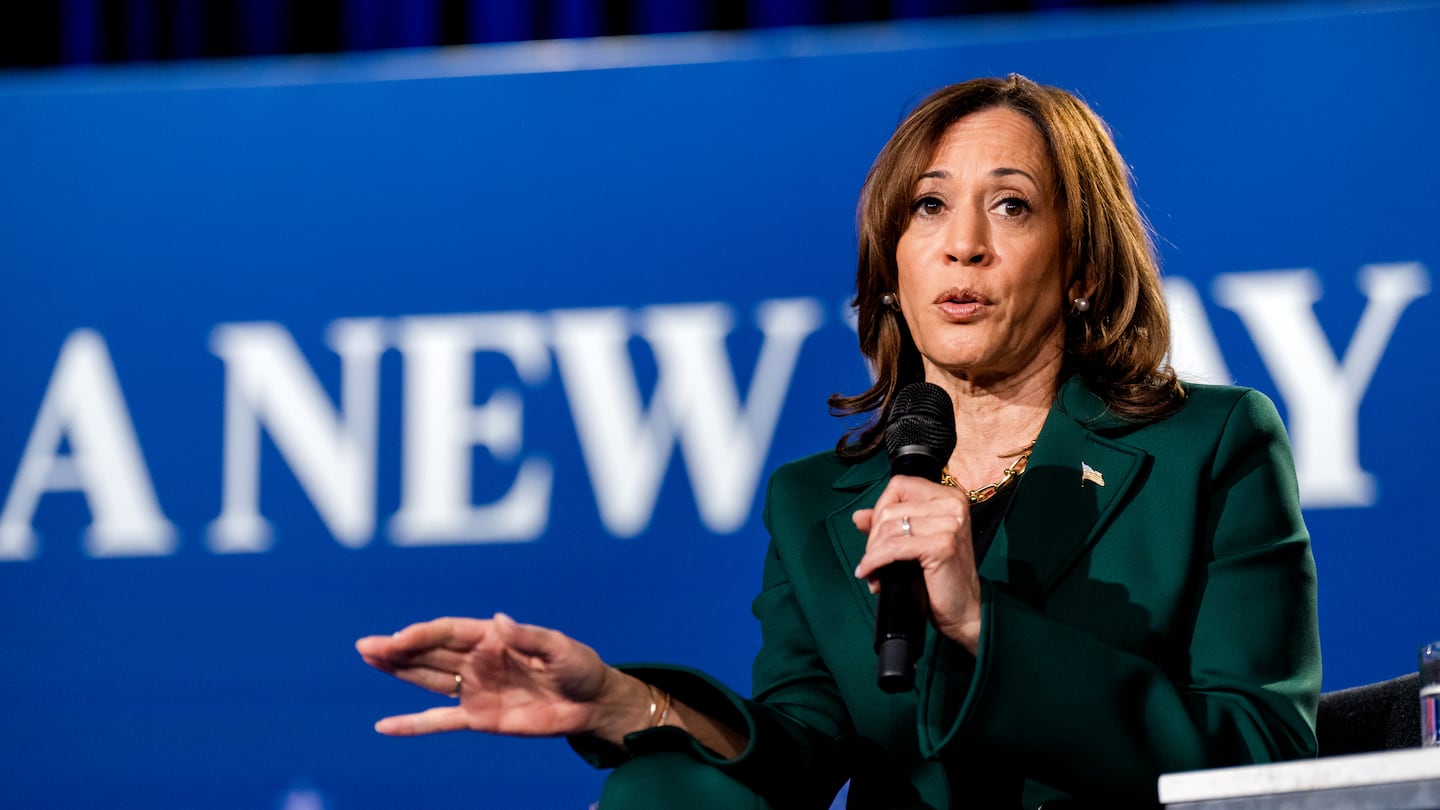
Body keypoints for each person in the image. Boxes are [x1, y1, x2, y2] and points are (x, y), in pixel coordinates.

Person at [356, 74, 1321, 808]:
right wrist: (621, 704)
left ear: (1080, 263)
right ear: (890, 260)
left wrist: (982, 626)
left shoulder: (1210, 445)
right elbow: (800, 753)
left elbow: (1263, 759)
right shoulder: (816, 498)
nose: (964, 243)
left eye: (1013, 205)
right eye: (929, 206)